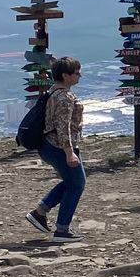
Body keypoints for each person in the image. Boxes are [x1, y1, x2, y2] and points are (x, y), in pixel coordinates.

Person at [24, 56, 87, 242]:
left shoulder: (54, 91)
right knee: (77, 184)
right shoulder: (65, 97)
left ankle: (40, 212)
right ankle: (62, 229)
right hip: (59, 146)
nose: (79, 75)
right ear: (65, 75)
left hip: (49, 144)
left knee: (72, 182)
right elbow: (63, 126)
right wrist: (69, 152)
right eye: (76, 72)